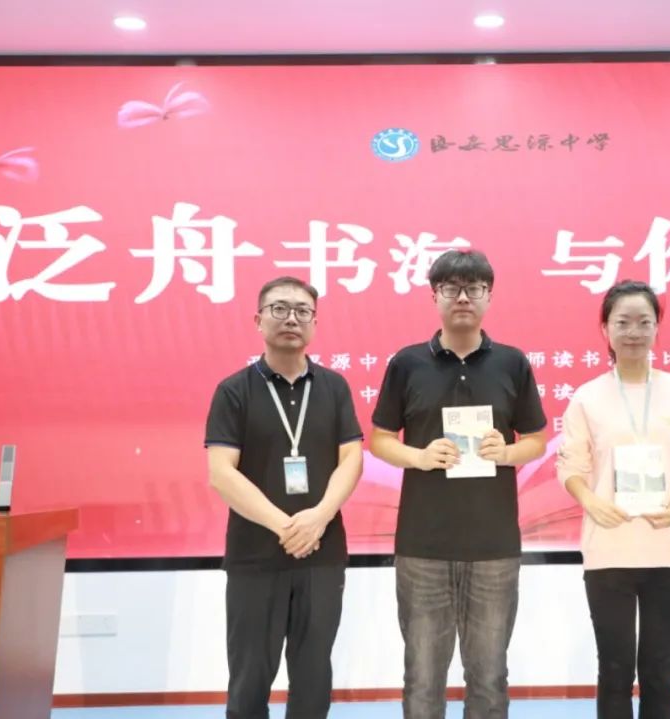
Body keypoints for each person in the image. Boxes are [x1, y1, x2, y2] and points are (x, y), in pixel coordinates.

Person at [369, 249, 547, 719]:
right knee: (423, 680)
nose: (463, 297)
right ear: (435, 296)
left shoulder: (512, 363)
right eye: (451, 288)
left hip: (494, 548)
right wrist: (419, 457)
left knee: (488, 679)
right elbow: (381, 439)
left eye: (474, 288)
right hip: (422, 547)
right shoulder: (407, 363)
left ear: (489, 296)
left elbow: (536, 440)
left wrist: (507, 452)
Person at [557, 279, 670, 719]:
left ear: (657, 328)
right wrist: (590, 501)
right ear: (605, 329)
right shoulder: (587, 397)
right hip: (608, 548)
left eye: (644, 322)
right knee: (614, 669)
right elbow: (570, 467)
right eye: (623, 322)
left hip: (667, 546)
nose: (633, 332)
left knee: (659, 669)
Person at [205, 276, 363, 719]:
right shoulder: (234, 390)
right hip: (255, 557)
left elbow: (352, 459)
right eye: (279, 308)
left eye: (302, 310)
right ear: (258, 320)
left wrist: (319, 518)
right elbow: (221, 473)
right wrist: (287, 526)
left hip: (322, 555)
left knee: (313, 678)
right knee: (249, 680)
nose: (291, 318)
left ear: (314, 322)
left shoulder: (334, 387)